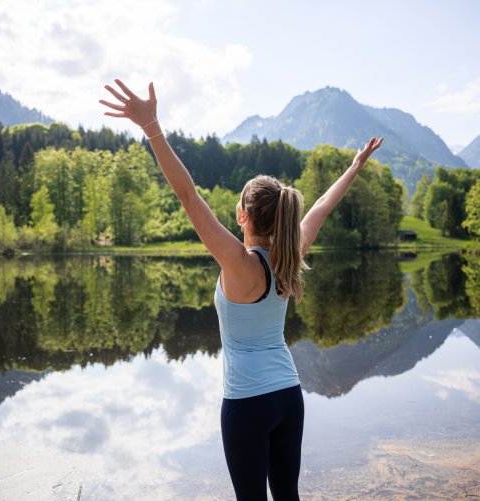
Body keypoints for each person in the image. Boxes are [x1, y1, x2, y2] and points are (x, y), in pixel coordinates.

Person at [99, 79, 383, 501]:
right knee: (287, 495)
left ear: (243, 214)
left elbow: (188, 196)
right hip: (289, 395)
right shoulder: (289, 255)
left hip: (248, 401)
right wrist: (355, 167)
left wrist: (152, 127)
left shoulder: (239, 264)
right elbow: (323, 205)